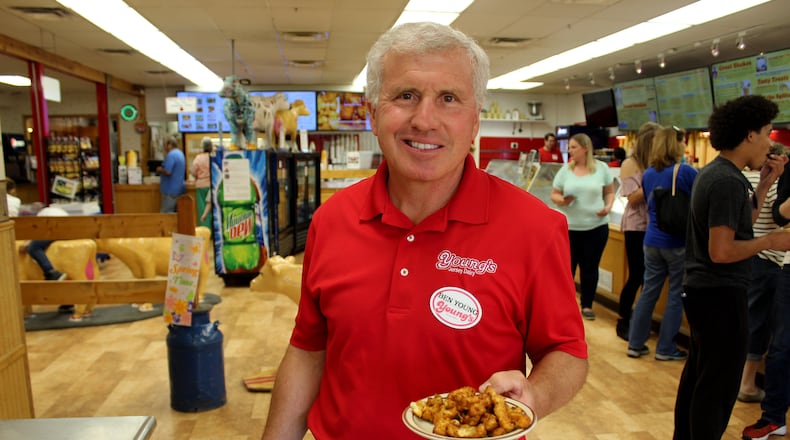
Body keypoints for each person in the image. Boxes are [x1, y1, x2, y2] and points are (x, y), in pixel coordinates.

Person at [261, 22, 588, 440]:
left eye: (449, 98)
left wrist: (535, 394)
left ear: (475, 120)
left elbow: (567, 350)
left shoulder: (535, 227)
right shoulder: (332, 220)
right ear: (374, 113)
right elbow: (309, 350)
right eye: (405, 96)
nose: (424, 119)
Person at [674, 95, 790, 440]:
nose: (769, 142)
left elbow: (741, 225)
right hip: (719, 295)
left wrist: (765, 184)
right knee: (717, 387)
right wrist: (771, 241)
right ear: (750, 134)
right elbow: (722, 251)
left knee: (700, 376)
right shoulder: (727, 182)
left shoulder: (719, 173)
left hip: (704, 293)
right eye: (767, 132)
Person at [627, 126, 697, 361]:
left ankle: (635, 343)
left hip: (651, 240)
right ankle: (665, 348)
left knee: (648, 291)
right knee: (676, 294)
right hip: (677, 242)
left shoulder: (648, 173)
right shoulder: (685, 172)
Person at [741, 143, 790, 439]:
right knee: (780, 344)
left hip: (769, 261)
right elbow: (780, 216)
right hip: (782, 263)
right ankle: (773, 417)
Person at [551, 133, 615, 321]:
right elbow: (554, 194)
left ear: (585, 148)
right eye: (569, 147)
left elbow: (609, 192)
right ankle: (565, 305)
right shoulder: (565, 170)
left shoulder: (602, 169)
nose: (570, 151)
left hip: (596, 227)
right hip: (569, 229)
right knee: (566, 270)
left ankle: (587, 305)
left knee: (590, 268)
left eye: (573, 147)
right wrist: (562, 200)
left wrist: (608, 206)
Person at [615, 121, 660, 340]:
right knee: (636, 274)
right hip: (635, 226)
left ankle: (640, 321)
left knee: (647, 279)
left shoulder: (657, 164)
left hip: (653, 226)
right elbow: (632, 198)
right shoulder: (630, 164)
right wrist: (655, 180)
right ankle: (623, 319)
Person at [156, 136, 186, 213]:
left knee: (166, 213)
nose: (164, 147)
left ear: (169, 145)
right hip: (179, 189)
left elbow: (168, 172)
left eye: (165, 144)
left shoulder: (171, 155)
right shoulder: (180, 153)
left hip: (170, 190)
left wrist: (159, 170)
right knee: (177, 214)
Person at [191, 136, 213, 228]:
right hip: (212, 185)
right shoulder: (213, 157)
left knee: (202, 208)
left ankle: (205, 230)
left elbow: (193, 172)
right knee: (212, 208)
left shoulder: (198, 158)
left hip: (201, 186)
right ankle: (212, 229)